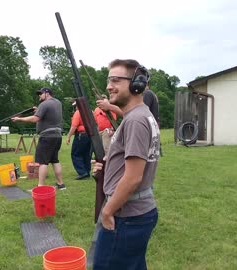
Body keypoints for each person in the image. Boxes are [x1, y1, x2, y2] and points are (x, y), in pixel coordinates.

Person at [92, 59, 160, 269]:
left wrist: (107, 211)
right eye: (108, 80)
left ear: (136, 84)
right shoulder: (138, 116)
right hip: (133, 213)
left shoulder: (135, 120)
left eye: (115, 80)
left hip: (126, 215)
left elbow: (133, 178)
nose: (108, 86)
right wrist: (106, 167)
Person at [11, 87, 66, 190]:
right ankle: (60, 184)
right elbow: (50, 115)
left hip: (47, 136)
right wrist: (39, 110)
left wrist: (19, 119)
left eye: (41, 94)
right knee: (55, 160)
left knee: (42, 162)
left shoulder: (44, 104)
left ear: (47, 93)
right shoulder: (58, 103)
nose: (39, 96)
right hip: (57, 135)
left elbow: (35, 119)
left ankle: (40, 186)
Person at [66, 100, 92, 180]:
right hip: (90, 135)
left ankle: (82, 172)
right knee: (86, 154)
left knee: (76, 154)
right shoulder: (90, 111)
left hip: (81, 135)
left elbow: (74, 126)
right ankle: (87, 171)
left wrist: (68, 136)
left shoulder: (78, 112)